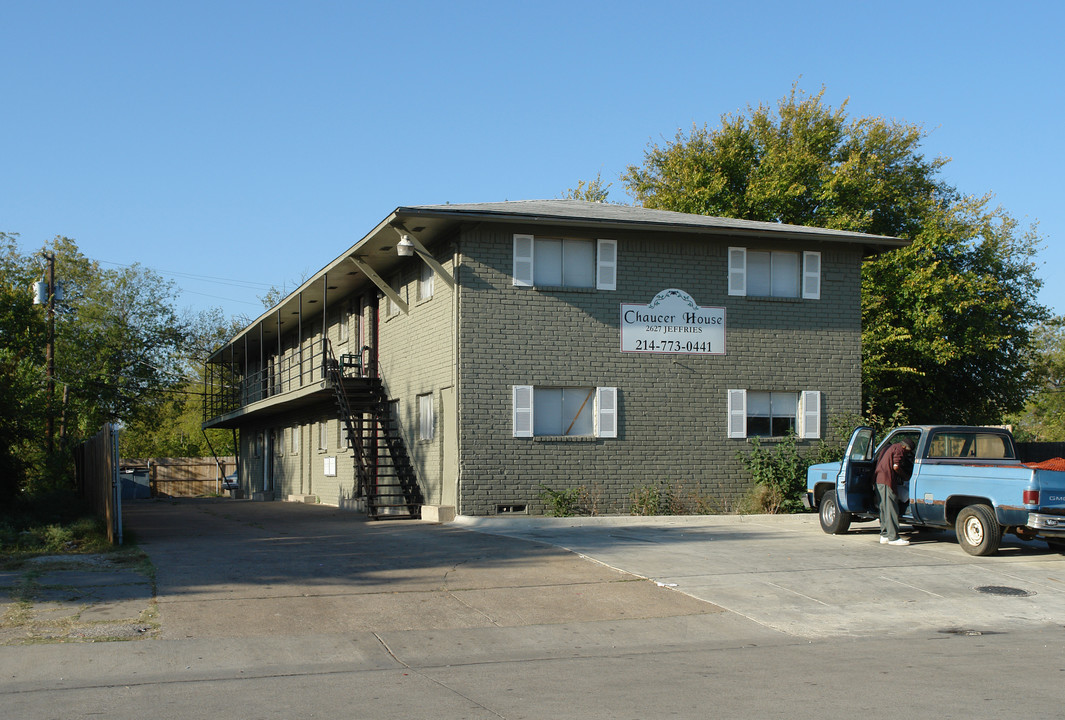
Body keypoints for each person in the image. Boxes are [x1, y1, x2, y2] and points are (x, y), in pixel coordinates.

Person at [875, 437, 915, 546]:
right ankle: (893, 537)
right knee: (891, 508)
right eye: (908, 451)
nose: (906, 453)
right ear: (904, 447)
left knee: (883, 508)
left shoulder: (888, 447)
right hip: (887, 480)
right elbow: (896, 466)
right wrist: (906, 477)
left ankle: (884, 535)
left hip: (879, 480)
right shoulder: (899, 449)